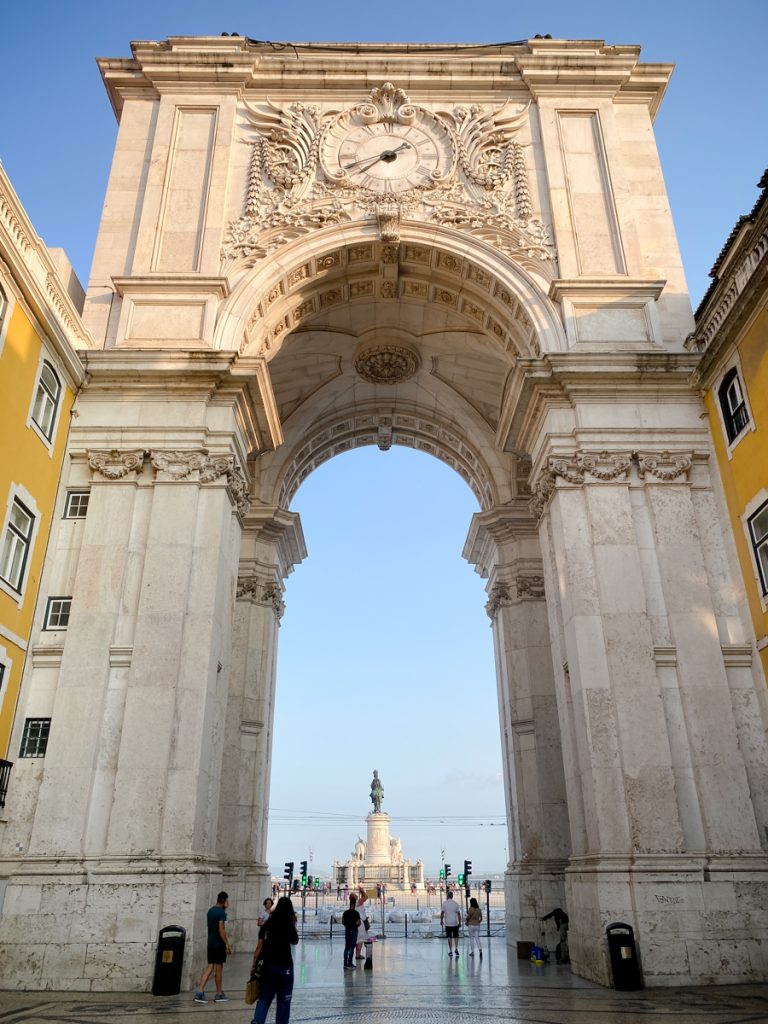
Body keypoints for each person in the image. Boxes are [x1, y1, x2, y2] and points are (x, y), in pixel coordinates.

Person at [250, 896, 299, 1024]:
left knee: (264, 998)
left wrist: (254, 965)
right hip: (285, 967)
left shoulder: (267, 924)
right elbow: (295, 941)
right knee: (284, 1001)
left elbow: (259, 947)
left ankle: (257, 1022)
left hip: (268, 966)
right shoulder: (288, 924)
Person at [194, 891, 232, 1003]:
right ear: (224, 901)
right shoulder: (221, 913)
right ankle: (219, 993)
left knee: (210, 967)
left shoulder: (210, 911)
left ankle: (200, 992)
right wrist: (227, 944)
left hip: (210, 943)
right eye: (227, 901)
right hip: (218, 944)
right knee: (218, 969)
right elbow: (221, 930)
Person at [342, 894, 361, 969]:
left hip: (347, 930)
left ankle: (345, 962)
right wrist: (355, 925)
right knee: (352, 948)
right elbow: (358, 923)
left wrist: (347, 926)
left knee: (347, 947)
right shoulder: (356, 913)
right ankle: (350, 962)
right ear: (354, 905)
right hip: (354, 931)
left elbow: (343, 922)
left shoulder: (345, 913)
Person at [440, 890, 462, 957]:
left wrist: (441, 920)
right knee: (456, 936)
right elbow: (458, 914)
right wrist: (460, 922)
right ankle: (456, 948)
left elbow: (442, 913)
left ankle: (450, 951)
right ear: (452, 896)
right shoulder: (456, 904)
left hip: (448, 923)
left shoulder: (444, 903)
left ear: (447, 896)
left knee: (449, 937)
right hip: (455, 922)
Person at [354, 885, 369, 959]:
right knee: (360, 939)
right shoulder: (358, 902)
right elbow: (366, 897)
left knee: (358, 939)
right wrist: (362, 890)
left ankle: (357, 954)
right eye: (355, 895)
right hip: (361, 923)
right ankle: (357, 955)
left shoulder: (354, 903)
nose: (357, 895)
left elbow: (364, 897)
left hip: (357, 922)